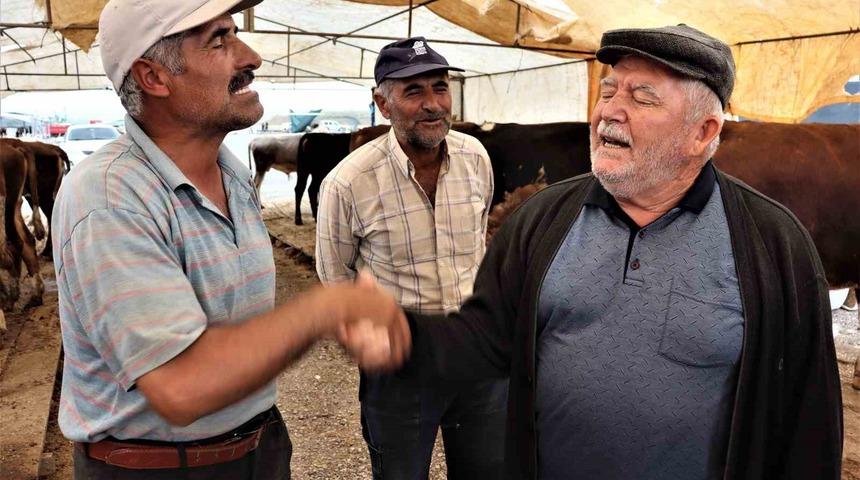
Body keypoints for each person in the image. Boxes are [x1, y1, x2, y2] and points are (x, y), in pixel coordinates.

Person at [402, 25, 843, 479]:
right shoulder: (541, 219)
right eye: (608, 91)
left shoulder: (773, 244)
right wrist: (404, 335)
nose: (609, 112)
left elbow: (810, 425)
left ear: (702, 131)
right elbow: (486, 339)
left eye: (642, 98)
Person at [52, 1, 408, 478]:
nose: (251, 57)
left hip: (258, 447)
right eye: (218, 40)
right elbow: (180, 386)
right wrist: (325, 309)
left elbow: (236, 329)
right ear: (153, 77)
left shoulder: (232, 174)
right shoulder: (110, 196)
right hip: (159, 469)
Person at [316, 37, 506, 479]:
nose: (432, 104)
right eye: (413, 91)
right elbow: (336, 278)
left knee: (488, 469)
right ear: (383, 104)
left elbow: (478, 245)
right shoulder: (349, 182)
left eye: (440, 87)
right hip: (401, 363)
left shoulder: (475, 157)